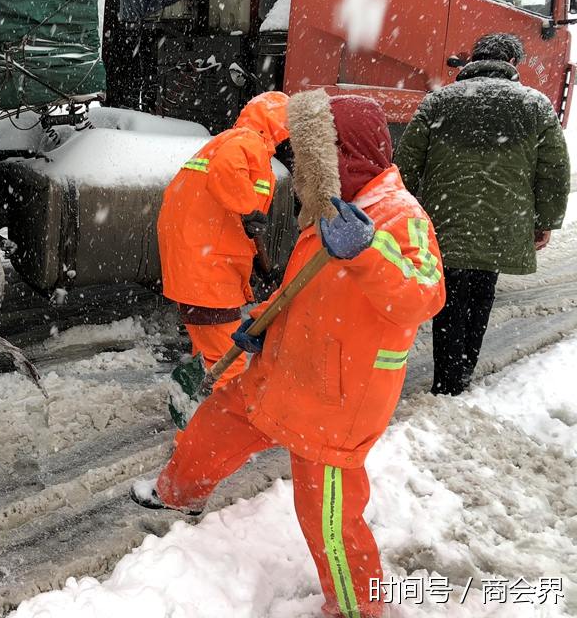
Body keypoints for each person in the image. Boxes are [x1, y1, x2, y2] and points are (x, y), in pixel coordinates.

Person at [132, 92, 446, 618]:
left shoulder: (397, 216)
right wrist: (263, 319)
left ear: (344, 156)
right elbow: (305, 284)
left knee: (327, 519)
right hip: (285, 365)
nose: (297, 167)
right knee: (216, 421)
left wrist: (368, 253)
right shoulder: (329, 209)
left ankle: (356, 609)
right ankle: (178, 492)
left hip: (335, 396)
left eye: (309, 155)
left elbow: (424, 294)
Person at [395, 32, 570, 396]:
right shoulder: (535, 105)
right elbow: (554, 171)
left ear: (474, 59)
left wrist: (399, 212)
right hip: (499, 223)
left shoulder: (439, 101)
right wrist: (545, 221)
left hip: (445, 221)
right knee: (481, 293)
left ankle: (447, 379)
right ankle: (464, 372)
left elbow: (406, 163)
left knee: (449, 298)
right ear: (511, 64)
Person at [157, 91, 290, 392]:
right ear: (277, 123)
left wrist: (259, 264)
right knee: (227, 367)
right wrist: (250, 209)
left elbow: (229, 217)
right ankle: (212, 434)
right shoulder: (248, 142)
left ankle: (193, 430)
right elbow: (226, 173)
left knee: (208, 359)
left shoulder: (229, 141)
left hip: (197, 264)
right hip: (209, 271)